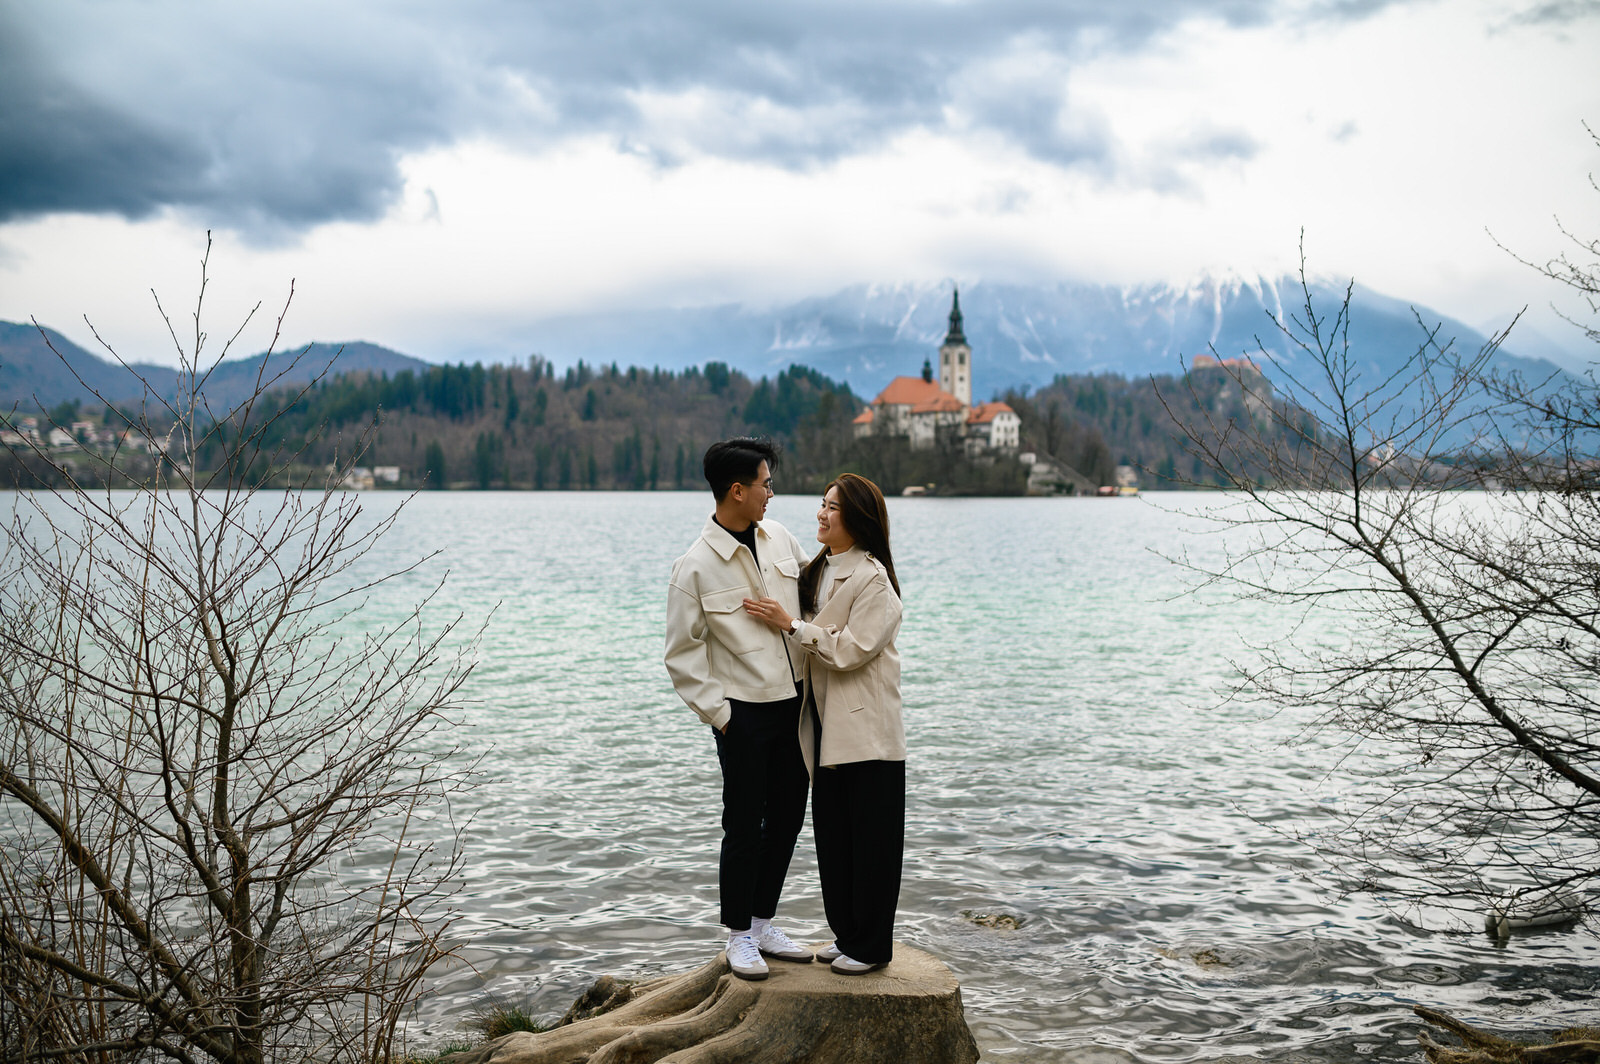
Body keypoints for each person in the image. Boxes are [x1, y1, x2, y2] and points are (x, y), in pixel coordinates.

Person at [664, 438, 815, 981]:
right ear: (737, 490)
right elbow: (681, 655)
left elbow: (818, 592)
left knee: (789, 818)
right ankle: (738, 937)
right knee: (744, 824)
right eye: (765, 484)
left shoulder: (782, 539)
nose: (771, 493)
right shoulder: (694, 567)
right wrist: (724, 718)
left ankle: (762, 922)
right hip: (743, 716)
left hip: (796, 705)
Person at [743, 472, 904, 976]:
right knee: (835, 840)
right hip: (824, 728)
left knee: (872, 845)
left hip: (869, 734)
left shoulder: (874, 581)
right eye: (822, 503)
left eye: (833, 507)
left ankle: (872, 947)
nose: (821, 513)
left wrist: (792, 625)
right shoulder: (817, 569)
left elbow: (850, 651)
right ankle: (848, 934)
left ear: (858, 519)